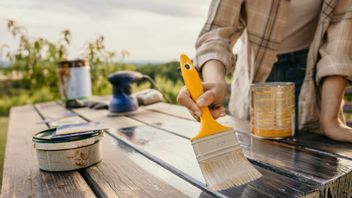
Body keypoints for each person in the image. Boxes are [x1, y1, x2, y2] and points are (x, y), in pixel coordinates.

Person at [177, 0, 352, 143]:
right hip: (255, 77)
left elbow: (338, 49)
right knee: (254, 158)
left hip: (311, 78)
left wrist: (330, 121)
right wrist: (215, 82)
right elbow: (217, 32)